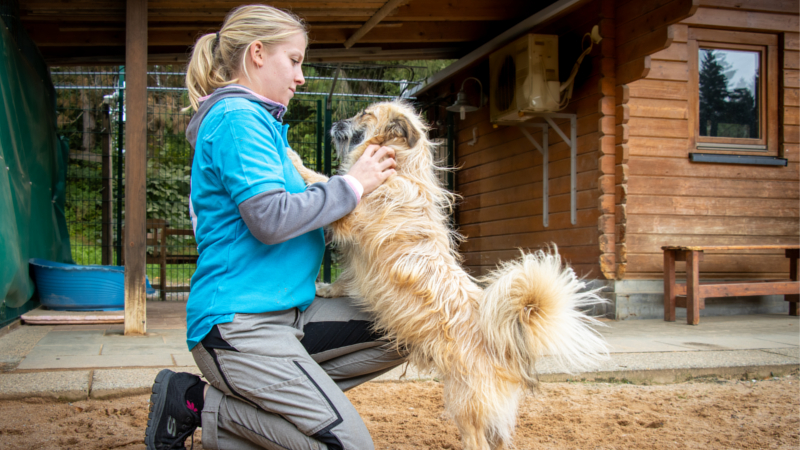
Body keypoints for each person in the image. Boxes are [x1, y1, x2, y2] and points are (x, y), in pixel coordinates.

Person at [144, 5, 405, 450]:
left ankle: (278, 398)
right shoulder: (236, 120)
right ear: (258, 54)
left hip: (292, 315)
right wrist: (352, 185)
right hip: (240, 325)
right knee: (348, 446)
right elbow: (271, 219)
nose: (301, 77)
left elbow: (301, 217)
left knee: (406, 330)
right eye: (295, 60)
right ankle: (197, 400)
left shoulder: (262, 125)